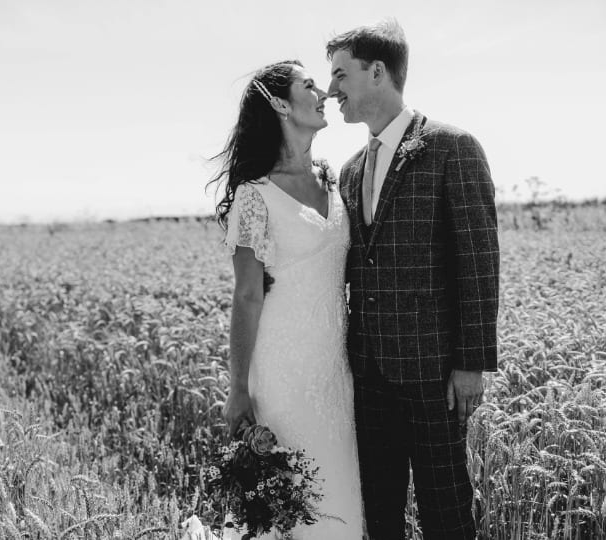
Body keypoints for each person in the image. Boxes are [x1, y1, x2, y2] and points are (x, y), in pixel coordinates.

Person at [327, 20, 500, 539]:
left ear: (377, 71)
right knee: (379, 513)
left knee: (445, 511)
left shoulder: (453, 147)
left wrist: (472, 363)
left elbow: (479, 260)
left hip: (435, 374)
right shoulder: (351, 169)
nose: (331, 89)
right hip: (369, 371)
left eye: (340, 74)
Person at [211, 60, 364, 539]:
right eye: (309, 85)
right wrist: (238, 388)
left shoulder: (335, 183)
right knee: (292, 511)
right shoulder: (254, 197)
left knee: (340, 508)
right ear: (279, 103)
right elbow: (248, 296)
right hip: (282, 376)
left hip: (335, 373)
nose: (324, 92)